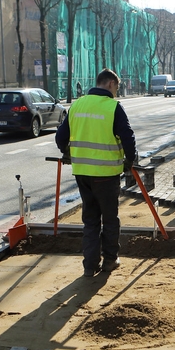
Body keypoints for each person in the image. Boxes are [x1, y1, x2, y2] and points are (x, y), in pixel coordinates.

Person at [56, 68, 137, 278]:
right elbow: (127, 136)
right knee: (110, 218)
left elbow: (60, 137)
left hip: (82, 172)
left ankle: (89, 266)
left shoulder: (77, 105)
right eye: (117, 87)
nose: (117, 92)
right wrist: (131, 159)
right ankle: (110, 260)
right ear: (110, 83)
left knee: (90, 220)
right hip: (107, 173)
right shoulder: (113, 107)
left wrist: (67, 151)